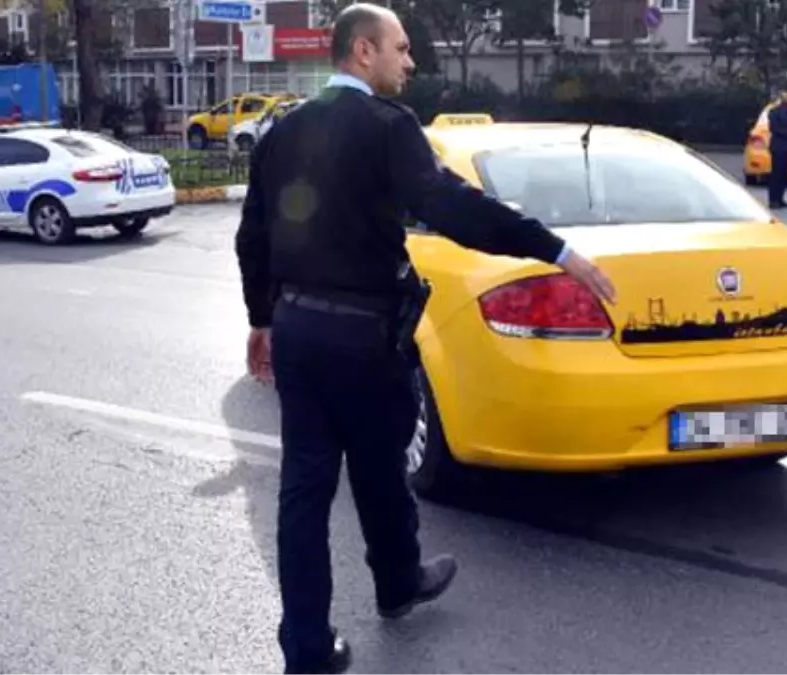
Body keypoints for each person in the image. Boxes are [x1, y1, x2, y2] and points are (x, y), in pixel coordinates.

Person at [233, 4, 617, 674]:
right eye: (400, 49)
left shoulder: (281, 130)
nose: (410, 62)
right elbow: (451, 205)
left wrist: (261, 318)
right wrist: (553, 247)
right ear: (361, 52)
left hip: (297, 329)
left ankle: (306, 650)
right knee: (380, 467)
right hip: (363, 336)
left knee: (303, 490)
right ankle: (397, 581)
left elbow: (252, 235)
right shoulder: (388, 127)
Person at [766, 91, 787, 209]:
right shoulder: (774, 112)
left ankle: (780, 199)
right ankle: (773, 200)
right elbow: (774, 128)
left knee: (784, 173)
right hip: (778, 146)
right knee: (776, 173)